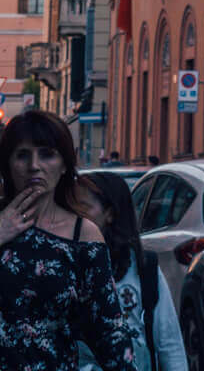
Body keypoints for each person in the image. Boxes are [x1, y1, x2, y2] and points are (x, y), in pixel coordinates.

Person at [0, 110, 135, 371]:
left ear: (64, 165)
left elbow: (109, 332)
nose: (34, 165)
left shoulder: (82, 235)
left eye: (47, 153)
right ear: (7, 165)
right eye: (22, 155)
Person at [79, 173, 187, 371]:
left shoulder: (143, 268)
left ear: (110, 213)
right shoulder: (64, 267)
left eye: (83, 208)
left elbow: (169, 342)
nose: (76, 216)